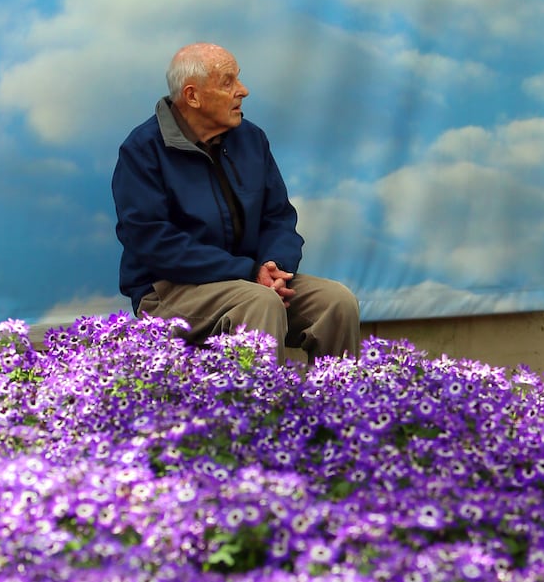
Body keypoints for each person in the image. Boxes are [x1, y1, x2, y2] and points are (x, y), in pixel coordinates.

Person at [111, 42, 360, 364]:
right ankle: (259, 412)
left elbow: (278, 218)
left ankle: (342, 408)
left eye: (238, 79)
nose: (243, 91)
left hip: (251, 279)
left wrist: (275, 267)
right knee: (259, 303)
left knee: (336, 302)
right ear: (192, 96)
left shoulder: (251, 138)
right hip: (168, 291)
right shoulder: (142, 150)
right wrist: (248, 271)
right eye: (228, 82)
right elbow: (152, 241)